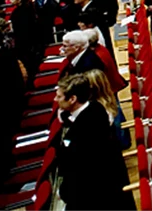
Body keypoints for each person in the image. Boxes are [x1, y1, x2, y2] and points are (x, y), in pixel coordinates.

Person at [50, 73, 132, 210]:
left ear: (72, 99)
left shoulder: (86, 129)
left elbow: (77, 170)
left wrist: (64, 193)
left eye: (59, 96)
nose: (55, 99)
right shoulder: (94, 107)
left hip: (95, 194)